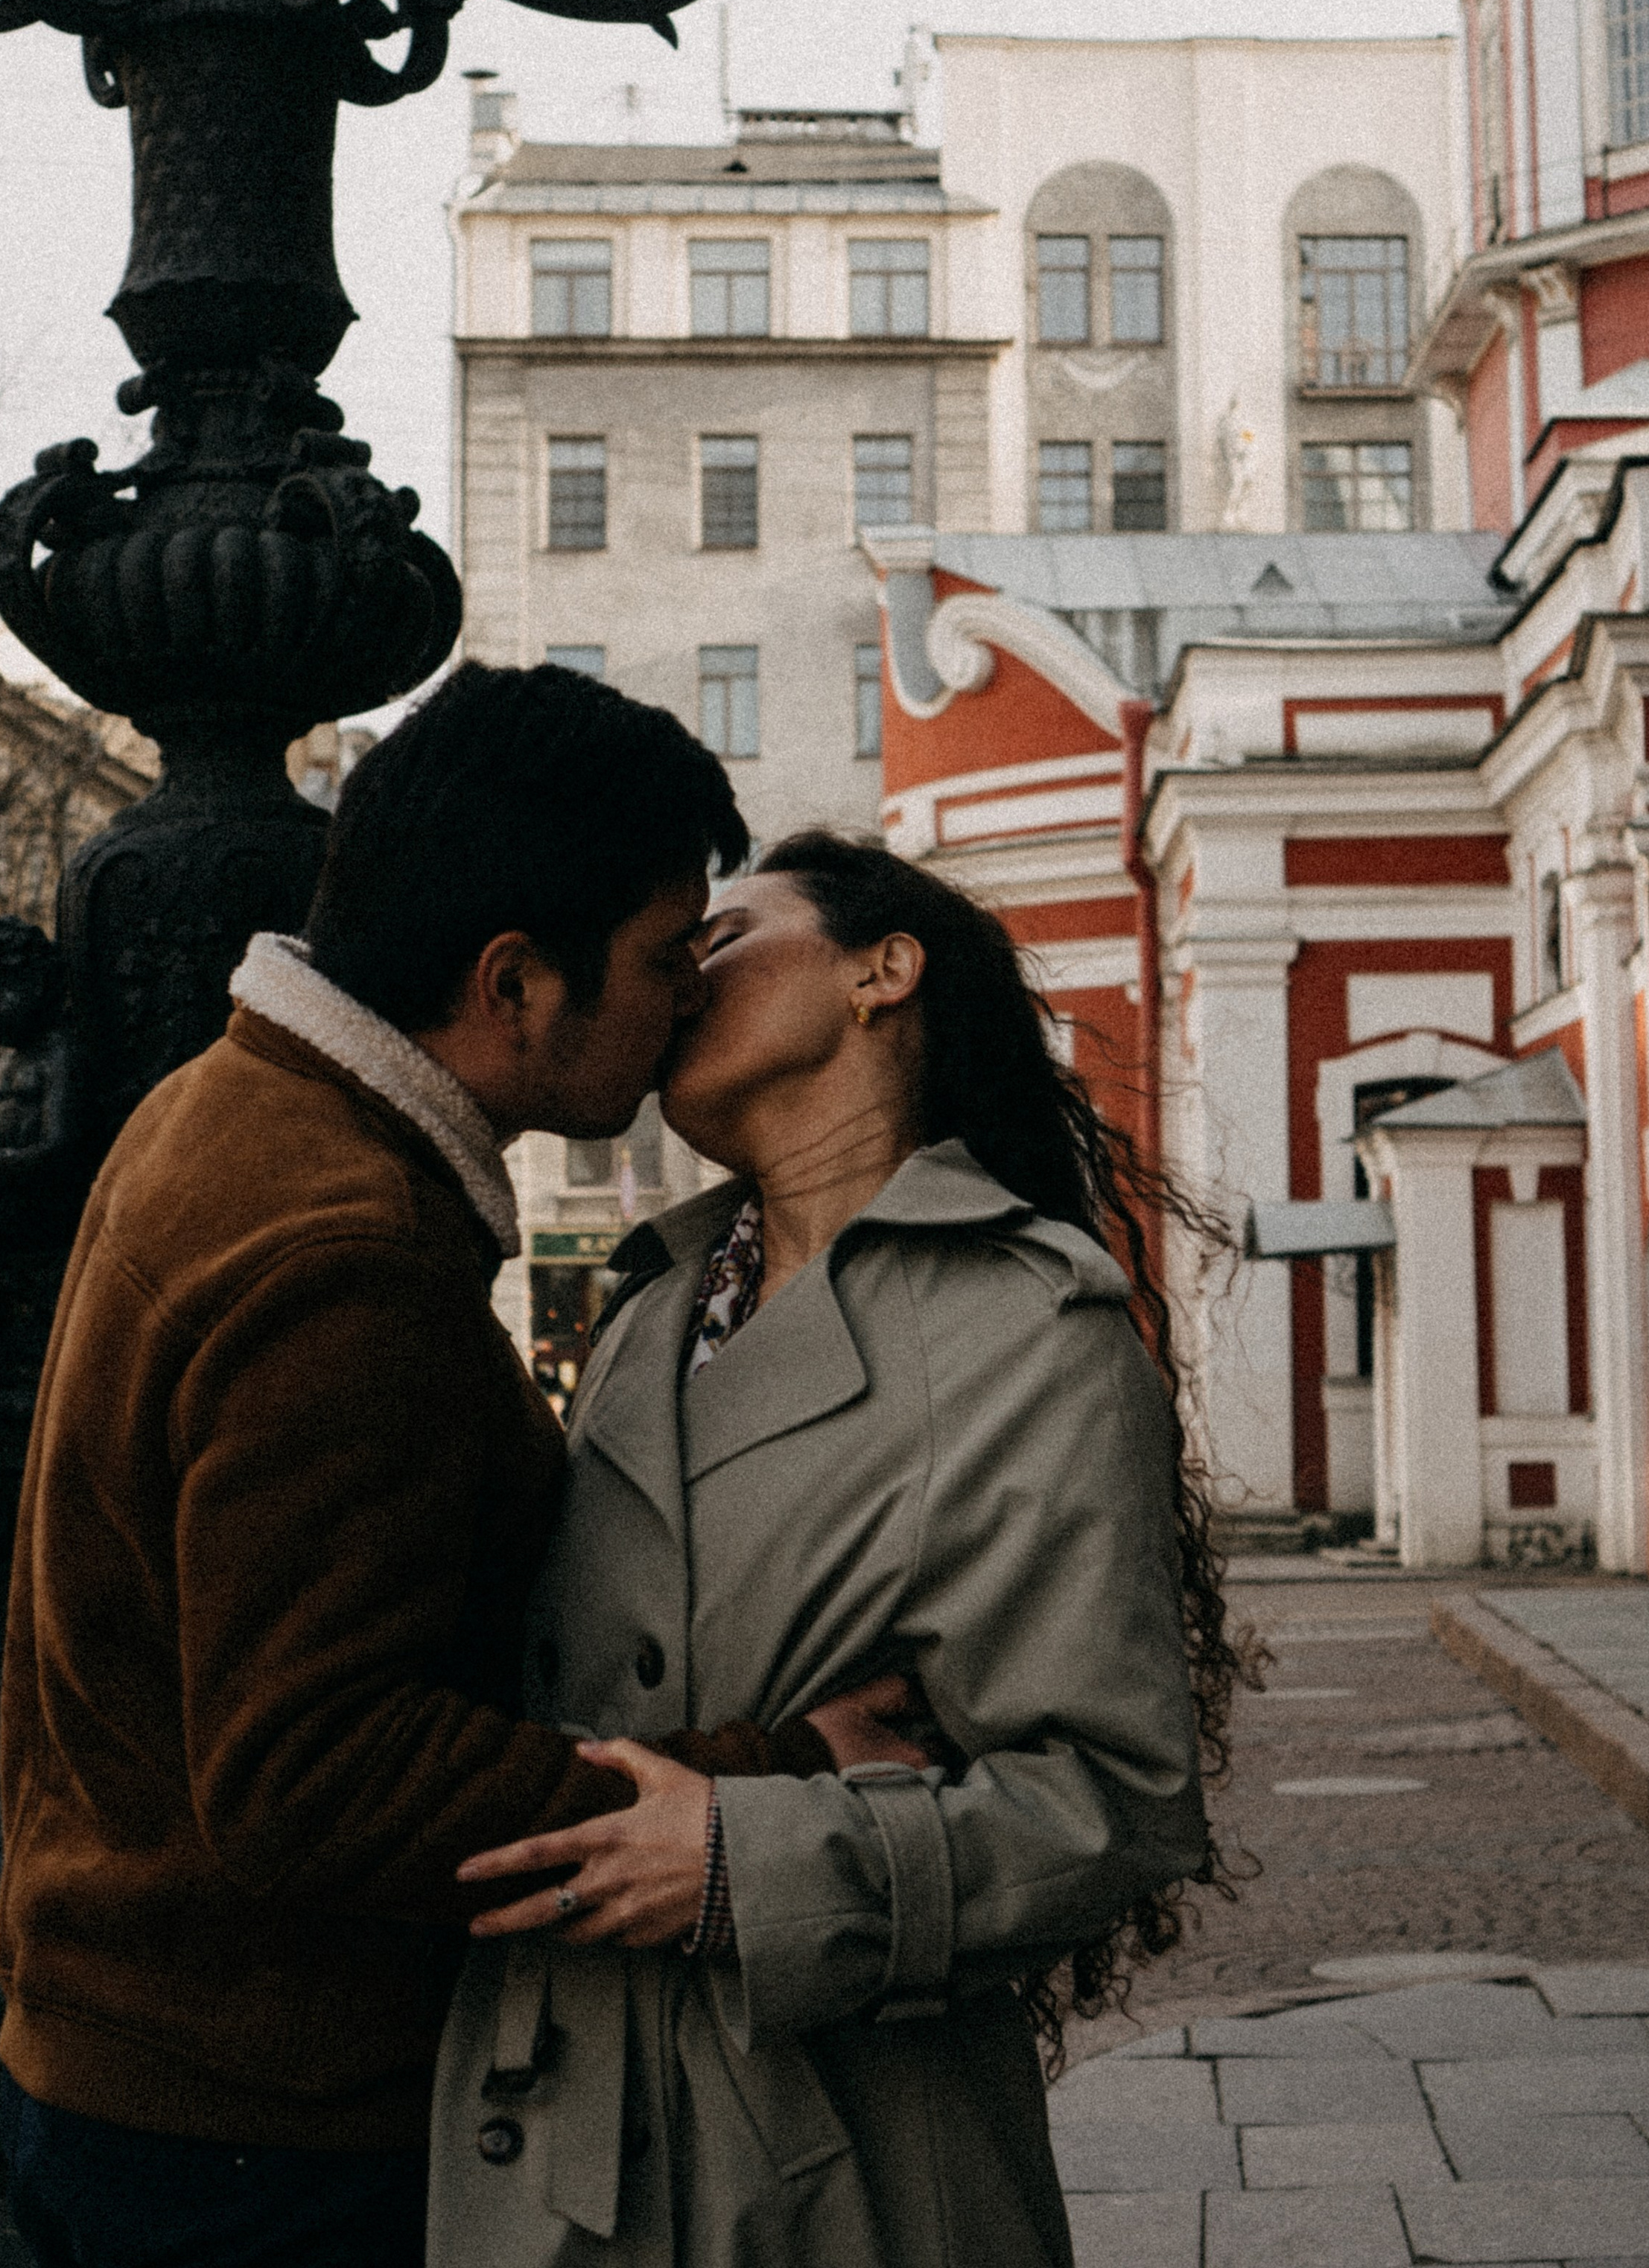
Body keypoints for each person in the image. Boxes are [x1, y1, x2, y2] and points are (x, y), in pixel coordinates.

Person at [0, 669, 911, 2268]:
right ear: (514, 983)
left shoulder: (225, 1105)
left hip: (138, 2074)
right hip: (256, 2139)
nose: (682, 1003)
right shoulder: (346, 1250)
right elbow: (316, 1777)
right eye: (655, 959)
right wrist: (769, 1775)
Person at [430, 831, 1240, 2268]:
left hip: (831, 2158)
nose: (683, 975)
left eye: (726, 936)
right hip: (551, 2121)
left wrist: (749, 1860)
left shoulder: (1028, 1332)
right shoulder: (650, 1308)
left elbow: (1115, 1800)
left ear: (884, 970)